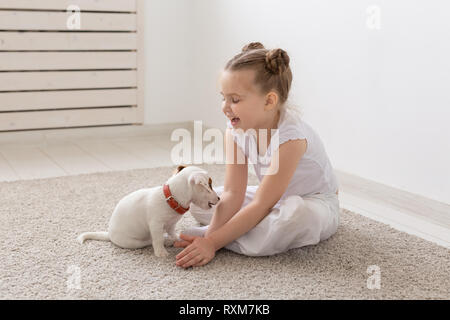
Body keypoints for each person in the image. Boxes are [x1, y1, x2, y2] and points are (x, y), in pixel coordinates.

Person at [174, 42, 340, 268]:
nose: (225, 107)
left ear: (269, 101)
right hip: (271, 198)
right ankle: (238, 233)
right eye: (223, 97)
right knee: (202, 202)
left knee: (296, 218)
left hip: (313, 202)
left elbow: (262, 203)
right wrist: (211, 235)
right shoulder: (234, 129)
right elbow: (233, 193)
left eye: (235, 99)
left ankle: (233, 237)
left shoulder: (291, 138)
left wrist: (212, 242)